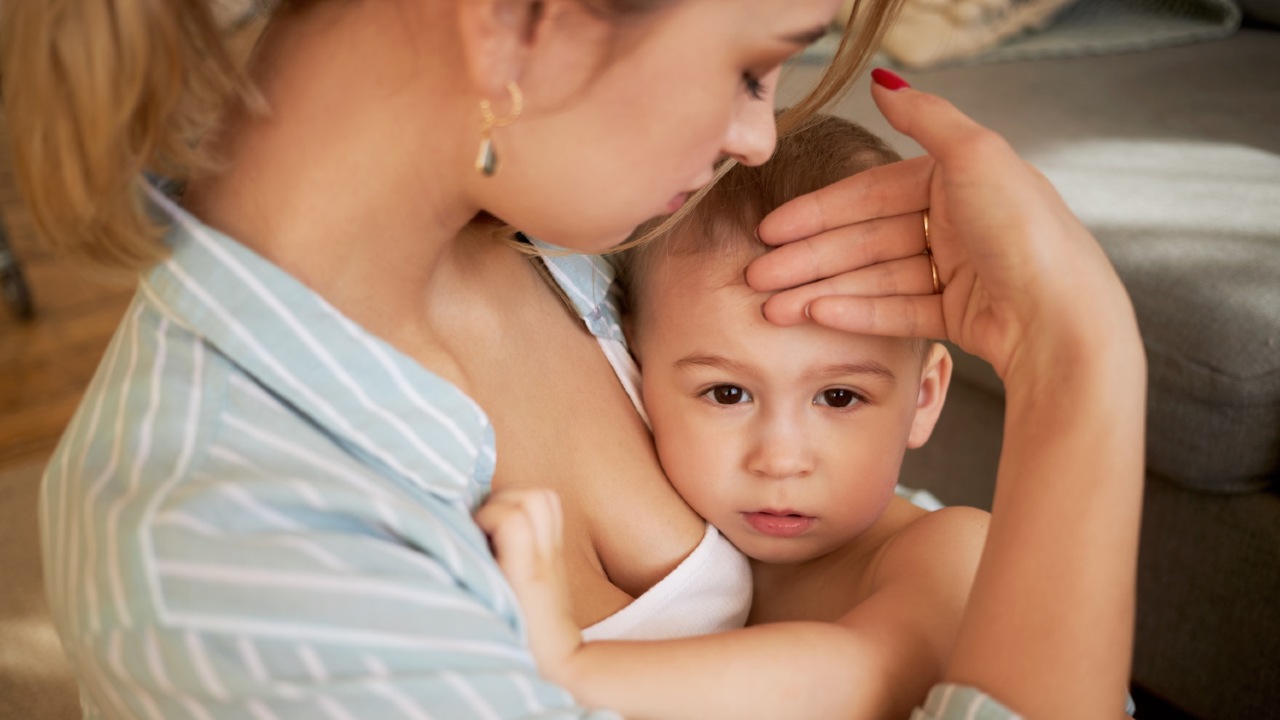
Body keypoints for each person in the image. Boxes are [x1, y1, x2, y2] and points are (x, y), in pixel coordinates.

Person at [1, 0, 1146, 715]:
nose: (756, 136)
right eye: (751, 65)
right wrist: (1080, 372)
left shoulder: (595, 253)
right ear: (516, 22)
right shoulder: (237, 561)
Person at [478, 113, 996, 720]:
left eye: (838, 398)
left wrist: (571, 667)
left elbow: (863, 675)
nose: (779, 458)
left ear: (924, 398)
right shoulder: (702, 540)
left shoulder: (953, 550)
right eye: (727, 394)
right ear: (636, 372)